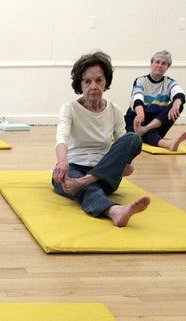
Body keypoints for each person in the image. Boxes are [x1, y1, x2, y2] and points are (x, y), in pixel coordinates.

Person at [52, 51, 150, 228]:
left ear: (106, 82)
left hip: (104, 171)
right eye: (87, 81)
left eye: (99, 80)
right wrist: (62, 161)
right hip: (74, 169)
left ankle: (86, 182)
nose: (93, 86)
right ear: (79, 84)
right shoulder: (70, 108)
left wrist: (124, 164)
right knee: (81, 187)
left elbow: (124, 144)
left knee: (133, 138)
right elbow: (62, 137)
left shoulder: (114, 110)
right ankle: (114, 211)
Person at [124, 50, 186, 151]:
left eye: (164, 63)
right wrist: (140, 114)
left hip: (157, 121)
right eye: (157, 62)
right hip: (139, 118)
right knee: (140, 135)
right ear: (151, 63)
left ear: (167, 67)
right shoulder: (141, 80)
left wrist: (176, 104)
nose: (159, 65)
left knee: (179, 104)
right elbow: (137, 98)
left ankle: (145, 130)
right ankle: (168, 144)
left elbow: (178, 93)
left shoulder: (169, 82)